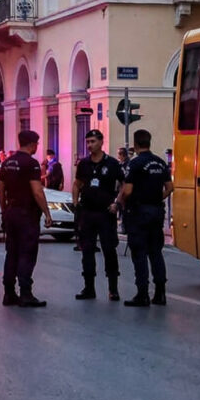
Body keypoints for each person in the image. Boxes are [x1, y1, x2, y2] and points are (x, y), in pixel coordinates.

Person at [117, 129, 172, 307]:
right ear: (149, 142)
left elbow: (128, 190)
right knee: (155, 252)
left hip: (139, 213)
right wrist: (157, 198)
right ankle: (160, 293)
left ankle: (142, 294)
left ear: (136, 143)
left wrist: (121, 203)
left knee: (139, 253)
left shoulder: (135, 164)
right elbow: (170, 187)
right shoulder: (160, 163)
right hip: (156, 212)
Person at [0, 130, 51, 307]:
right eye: (36, 143)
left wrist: (4, 211)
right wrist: (47, 213)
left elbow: (1, 189)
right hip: (26, 215)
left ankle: (9, 293)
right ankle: (26, 294)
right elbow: (37, 191)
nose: (37, 146)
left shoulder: (7, 162)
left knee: (11, 253)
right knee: (27, 253)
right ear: (32, 144)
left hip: (11, 212)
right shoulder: (31, 163)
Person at [72, 128, 123, 301]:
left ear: (101, 142)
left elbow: (124, 185)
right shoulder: (84, 163)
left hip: (105, 213)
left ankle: (113, 288)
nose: (89, 145)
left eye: (93, 142)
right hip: (87, 212)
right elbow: (77, 184)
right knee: (87, 250)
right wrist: (75, 203)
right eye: (87, 142)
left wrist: (117, 203)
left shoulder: (112, 164)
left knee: (109, 250)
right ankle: (88, 288)